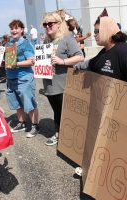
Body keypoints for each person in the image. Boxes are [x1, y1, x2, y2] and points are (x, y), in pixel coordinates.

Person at [74, 16, 127, 93]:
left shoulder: (123, 50)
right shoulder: (104, 51)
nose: (94, 34)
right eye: (94, 32)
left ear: (107, 30)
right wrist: (78, 66)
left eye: (97, 31)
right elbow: (91, 63)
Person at [42, 11, 84, 146]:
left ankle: (65, 138)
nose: (48, 26)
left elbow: (80, 56)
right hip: (49, 84)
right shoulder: (46, 42)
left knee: (64, 112)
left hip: (63, 84)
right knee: (56, 111)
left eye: (50, 23)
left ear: (59, 24)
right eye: (45, 24)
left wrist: (62, 61)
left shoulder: (67, 39)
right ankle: (60, 135)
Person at [6, 19, 39, 138]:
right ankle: (22, 123)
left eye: (16, 28)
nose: (14, 30)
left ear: (21, 30)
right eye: (12, 28)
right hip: (11, 78)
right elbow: (7, 60)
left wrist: (16, 64)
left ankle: (35, 126)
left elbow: (31, 61)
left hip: (24, 78)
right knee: (17, 104)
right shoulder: (8, 44)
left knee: (29, 103)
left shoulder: (25, 43)